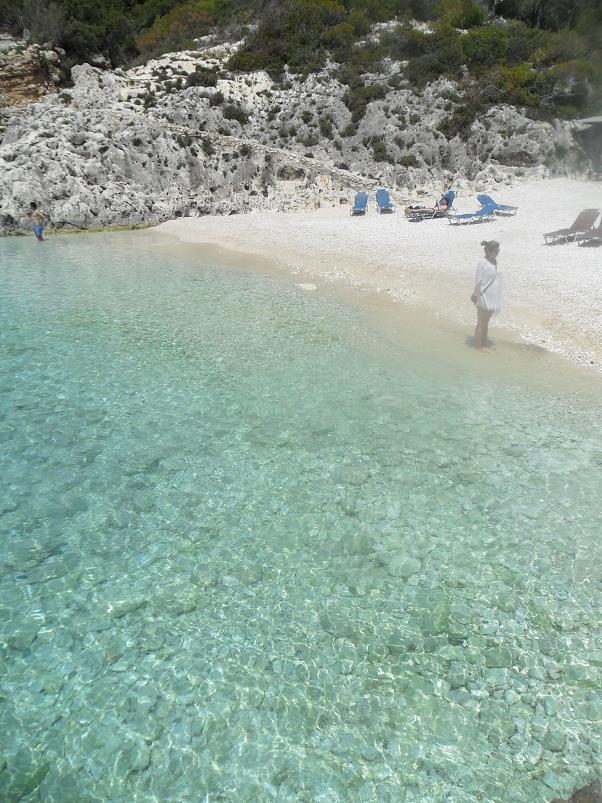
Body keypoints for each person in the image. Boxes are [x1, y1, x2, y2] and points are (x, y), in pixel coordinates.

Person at [472, 240, 502, 350]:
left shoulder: (494, 261)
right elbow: (478, 282)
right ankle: (478, 347)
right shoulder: (482, 263)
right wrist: (478, 300)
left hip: (491, 297)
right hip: (483, 296)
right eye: (496, 251)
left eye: (498, 250)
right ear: (489, 251)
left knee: (486, 322)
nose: (498, 252)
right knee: (481, 322)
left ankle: (484, 343)